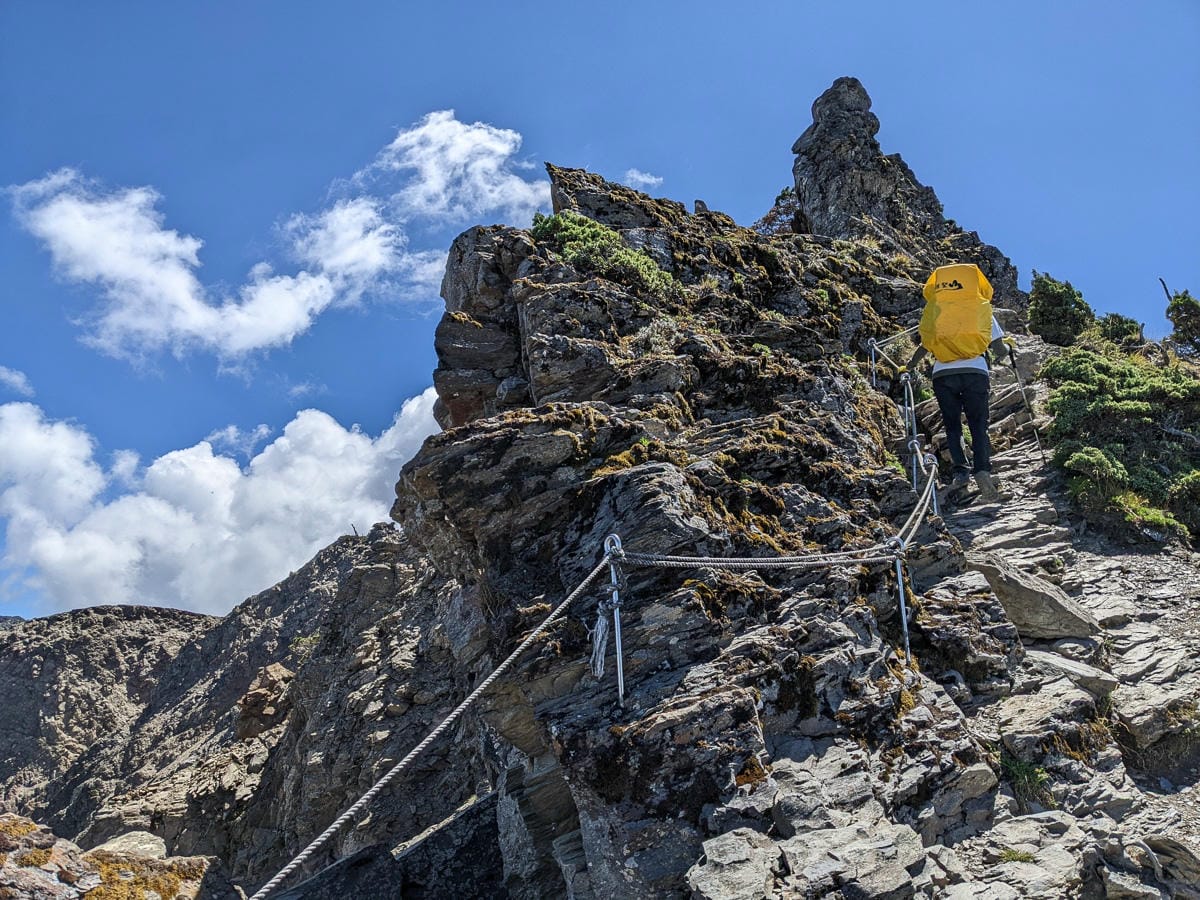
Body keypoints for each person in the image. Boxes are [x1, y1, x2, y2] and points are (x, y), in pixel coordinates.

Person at [900, 273, 1009, 502]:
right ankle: (982, 472)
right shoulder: (981, 307)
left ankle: (961, 473)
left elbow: (926, 344)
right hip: (975, 372)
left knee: (952, 426)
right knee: (978, 424)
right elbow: (999, 350)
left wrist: (908, 367)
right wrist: (1007, 350)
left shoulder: (938, 309)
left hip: (943, 374)